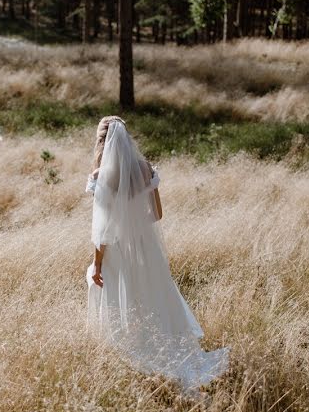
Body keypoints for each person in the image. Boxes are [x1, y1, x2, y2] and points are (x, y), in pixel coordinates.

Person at [85, 116, 229, 393]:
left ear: (102, 141)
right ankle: (166, 348)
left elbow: (102, 231)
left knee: (120, 299)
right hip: (145, 248)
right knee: (153, 296)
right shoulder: (144, 169)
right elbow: (157, 214)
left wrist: (97, 263)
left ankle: (129, 351)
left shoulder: (99, 176)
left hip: (117, 251)